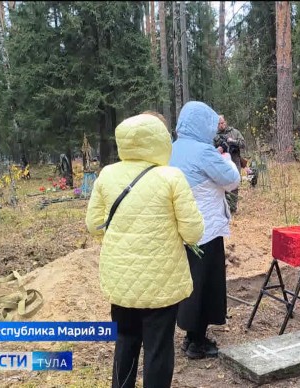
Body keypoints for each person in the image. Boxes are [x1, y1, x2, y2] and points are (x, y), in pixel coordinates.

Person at [85, 114, 204, 388]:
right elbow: (193, 233)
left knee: (125, 342)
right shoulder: (172, 177)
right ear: (160, 140)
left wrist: (122, 237)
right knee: (158, 349)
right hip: (162, 283)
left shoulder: (107, 174)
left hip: (122, 280)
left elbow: (93, 225)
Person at [170, 102, 241, 359]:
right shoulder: (204, 152)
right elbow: (232, 181)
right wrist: (224, 158)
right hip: (206, 230)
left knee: (189, 283)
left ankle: (189, 336)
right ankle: (197, 342)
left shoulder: (172, 149)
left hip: (181, 230)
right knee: (205, 285)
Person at [214, 115, 246, 213]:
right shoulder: (214, 135)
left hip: (234, 160)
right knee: (221, 184)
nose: (221, 125)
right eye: (219, 124)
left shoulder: (234, 132)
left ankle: (232, 207)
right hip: (221, 163)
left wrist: (233, 141)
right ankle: (223, 207)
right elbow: (208, 149)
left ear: (226, 122)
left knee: (235, 183)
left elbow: (243, 144)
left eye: (222, 123)